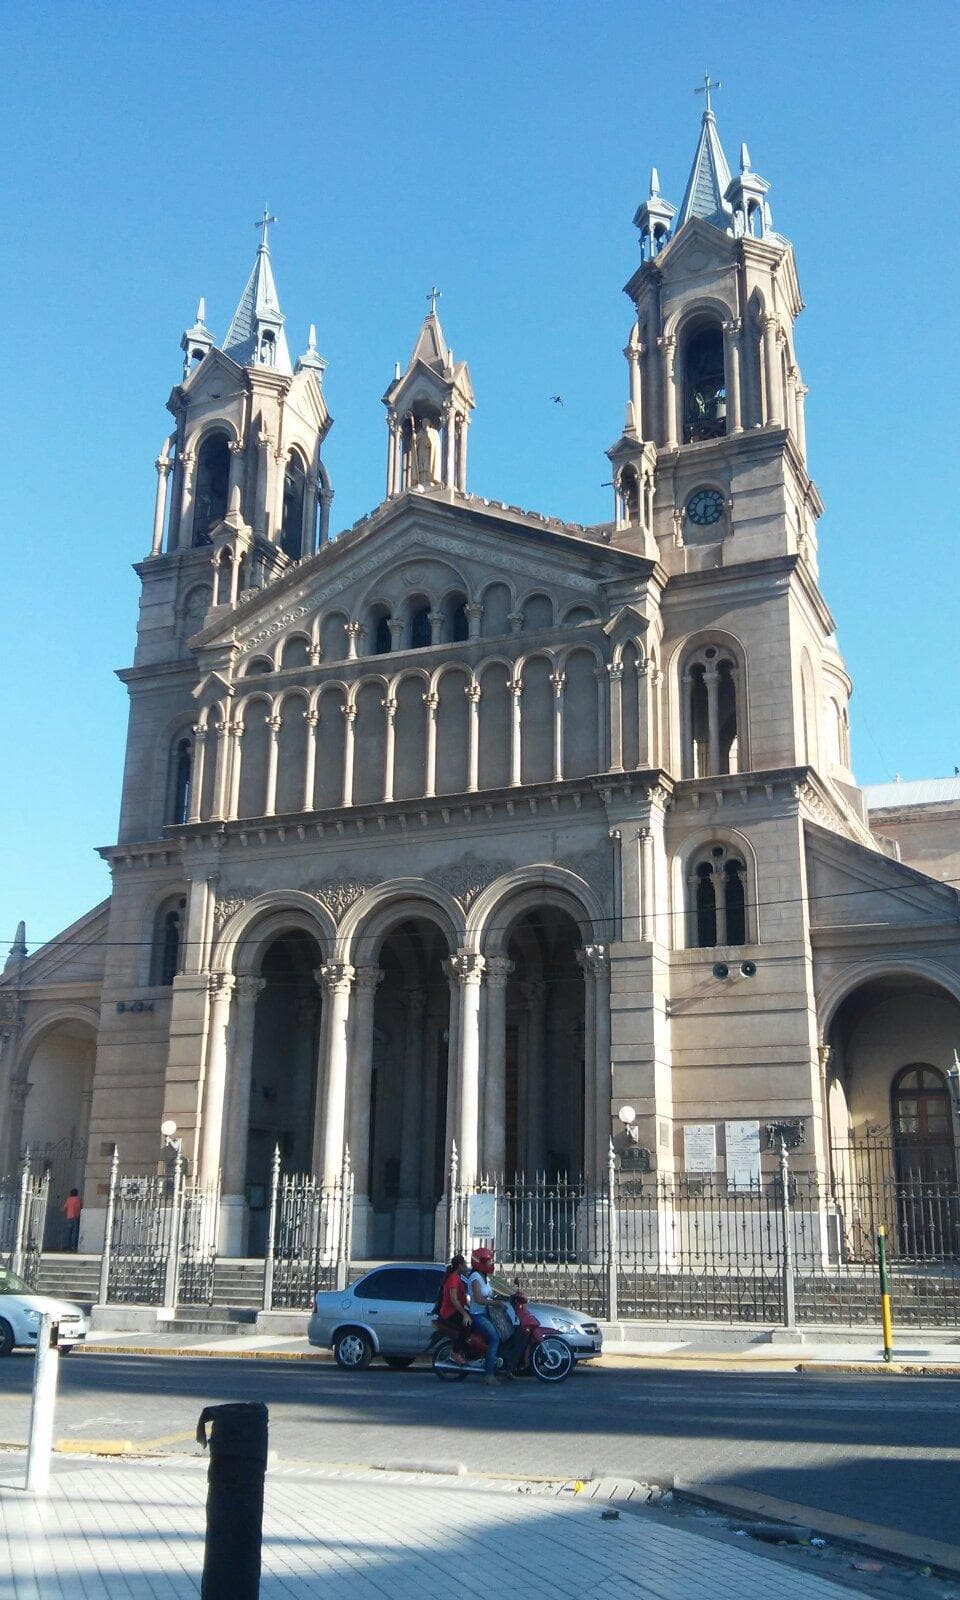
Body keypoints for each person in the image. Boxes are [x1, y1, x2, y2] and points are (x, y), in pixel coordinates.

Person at [465, 1246, 501, 1386]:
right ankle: (489, 1375)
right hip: (477, 1315)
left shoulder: (484, 1277)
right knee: (494, 1338)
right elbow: (479, 1299)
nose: (489, 1264)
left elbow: (491, 1293)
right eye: (486, 1261)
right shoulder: (475, 1277)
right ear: (479, 1262)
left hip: (487, 1313)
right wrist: (494, 1303)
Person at [436, 1253, 471, 1363]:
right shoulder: (453, 1279)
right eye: (464, 1264)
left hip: (455, 1310)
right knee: (467, 1325)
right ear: (460, 1265)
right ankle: (455, 1352)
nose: (466, 1266)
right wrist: (465, 1314)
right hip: (449, 1313)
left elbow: (463, 1299)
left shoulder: (458, 1278)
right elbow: (454, 1300)